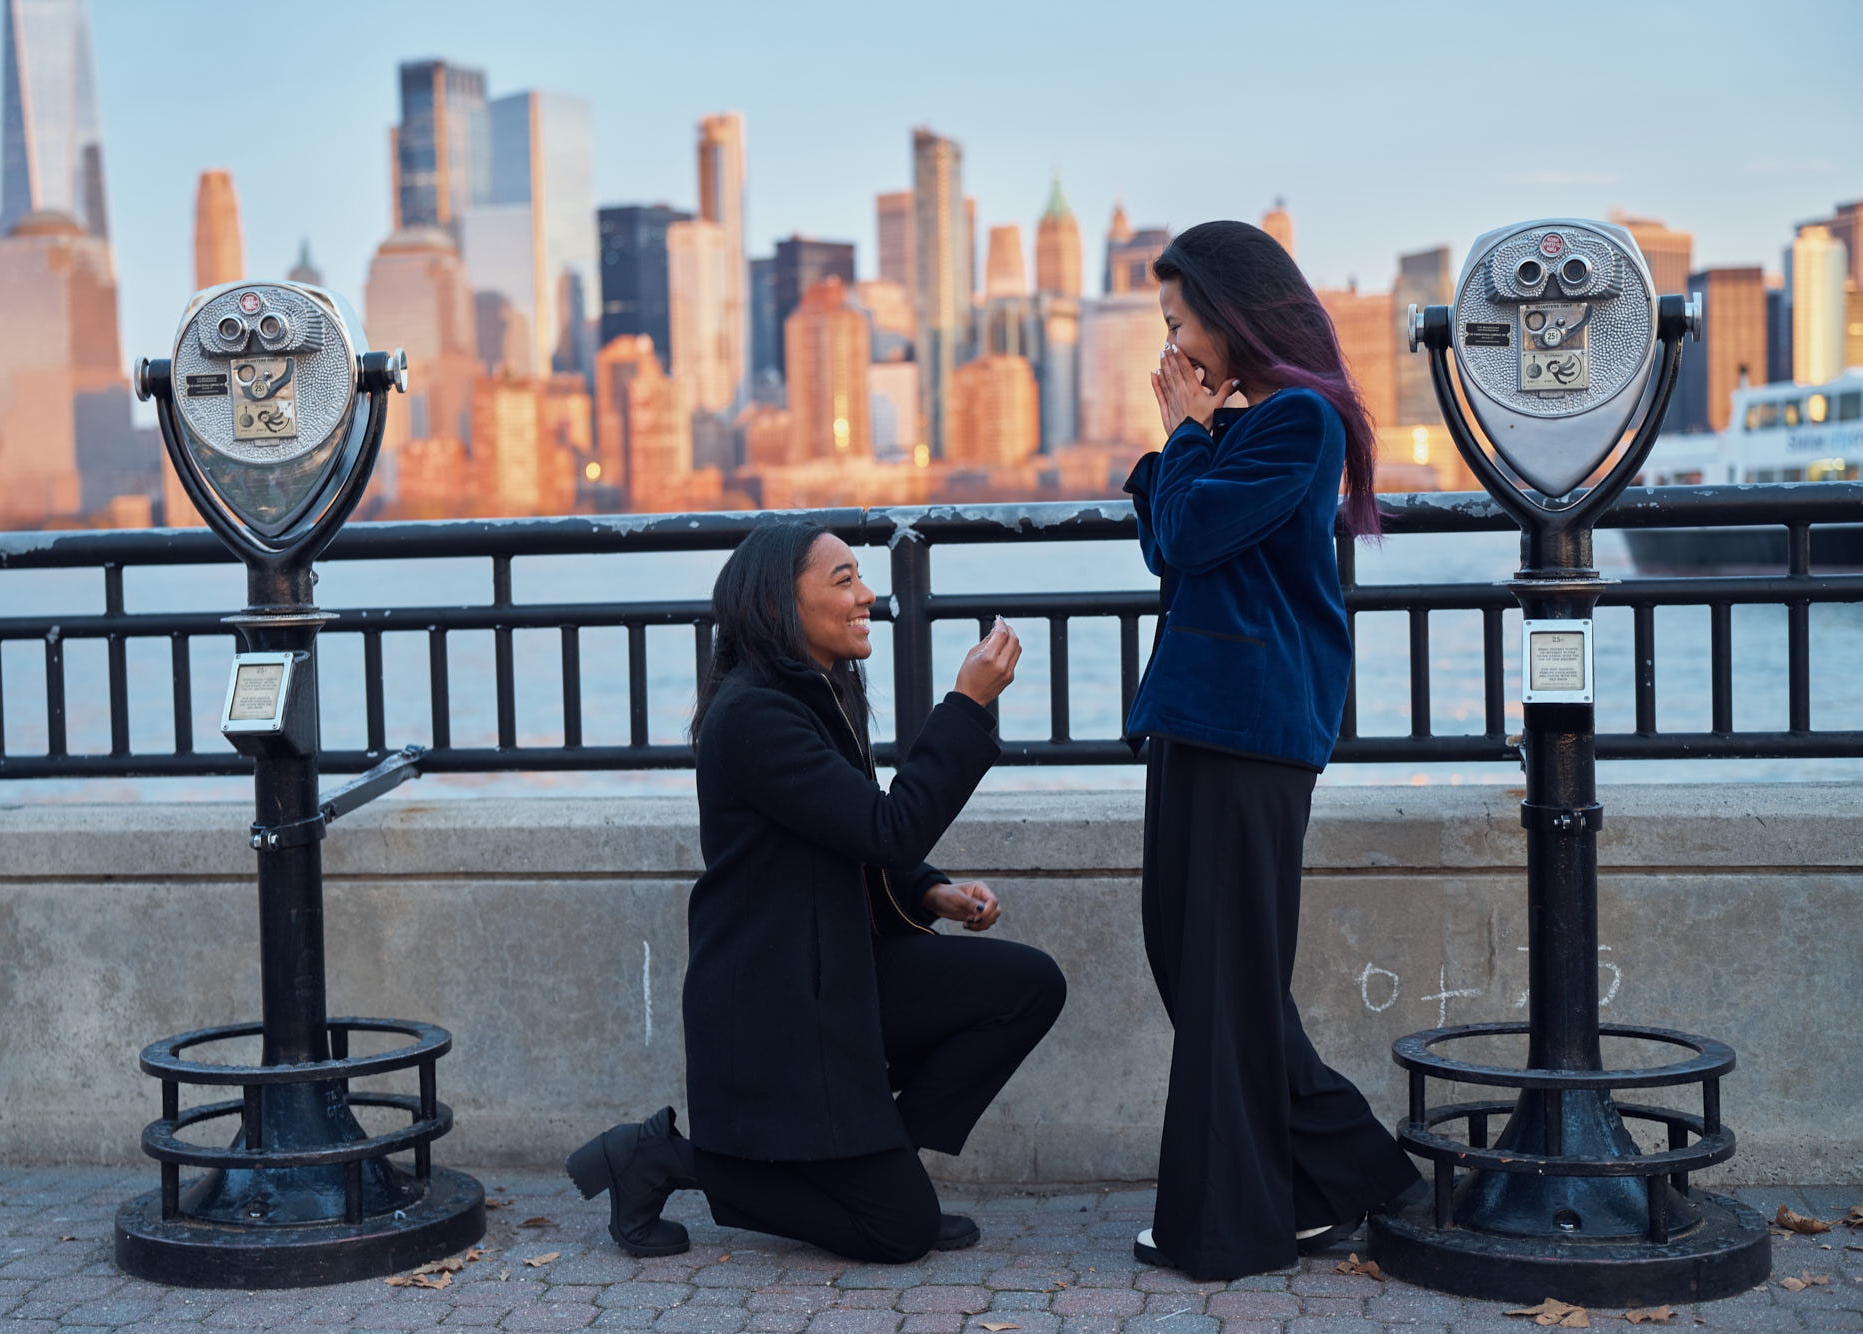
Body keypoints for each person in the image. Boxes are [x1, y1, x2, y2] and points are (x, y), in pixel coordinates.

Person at [567, 522, 1067, 1263]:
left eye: (860, 577)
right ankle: (664, 1159)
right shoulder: (754, 716)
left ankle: (879, 1169)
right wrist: (965, 705)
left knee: (1026, 986)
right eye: (843, 581)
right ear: (777, 603)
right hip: (780, 1010)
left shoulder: (813, 693)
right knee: (901, 1233)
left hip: (838, 977)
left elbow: (853, 839)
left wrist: (929, 893)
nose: (867, 595)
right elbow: (888, 827)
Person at [1122, 221, 1421, 1280]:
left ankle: (1228, 1225)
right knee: (1197, 959)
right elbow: (1169, 543)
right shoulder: (1240, 419)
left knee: (1223, 972)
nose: (1171, 347)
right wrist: (1188, 437)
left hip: (1248, 724)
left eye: (1177, 321)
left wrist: (1186, 435)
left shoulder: (1299, 419)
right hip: (1203, 716)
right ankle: (1347, 1179)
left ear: (1229, 309)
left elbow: (1192, 537)